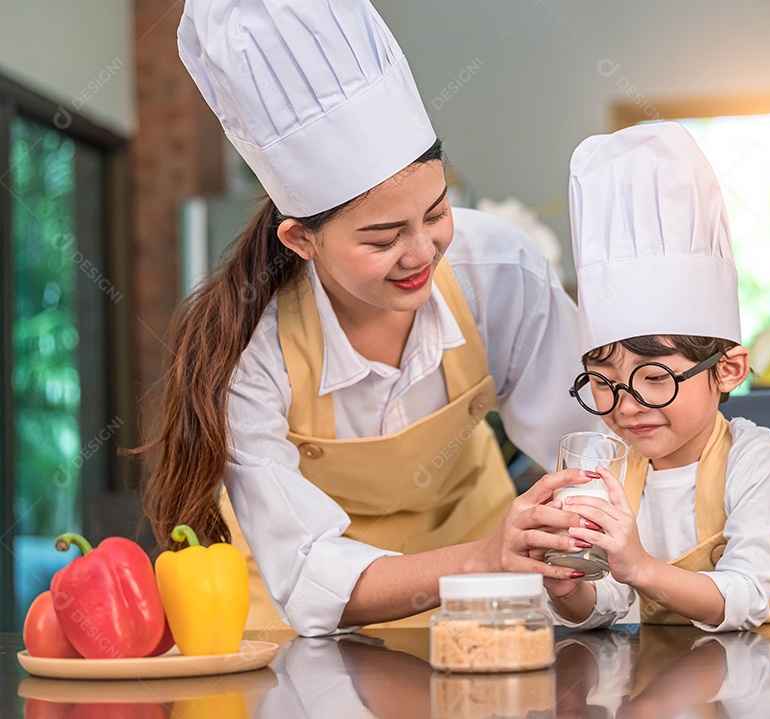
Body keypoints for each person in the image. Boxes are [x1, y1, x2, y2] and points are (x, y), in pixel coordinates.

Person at [141, 0, 597, 636]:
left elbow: (595, 441)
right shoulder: (253, 348)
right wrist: (480, 558)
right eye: (382, 239)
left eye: (435, 213)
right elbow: (305, 570)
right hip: (311, 634)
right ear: (302, 240)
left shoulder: (495, 268)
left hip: (489, 603)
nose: (421, 254)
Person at [544, 122, 770, 631]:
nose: (626, 406)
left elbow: (745, 596)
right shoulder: (616, 470)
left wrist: (640, 568)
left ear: (727, 371)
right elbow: (609, 601)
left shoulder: (753, 459)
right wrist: (569, 588)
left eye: (655, 378)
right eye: (604, 383)